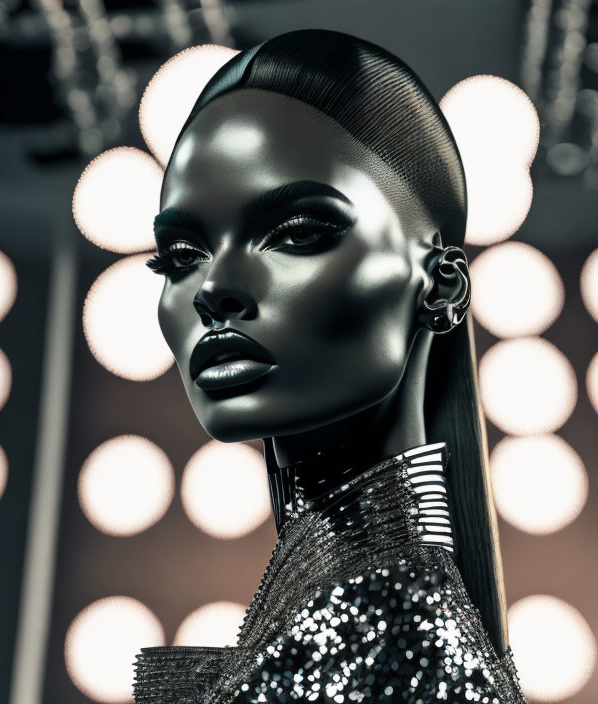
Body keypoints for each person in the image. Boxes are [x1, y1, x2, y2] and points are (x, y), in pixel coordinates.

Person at [133, 28, 527, 703]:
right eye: (180, 256)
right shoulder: (378, 623)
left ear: (441, 285)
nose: (211, 287)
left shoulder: (401, 641)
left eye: (296, 234)